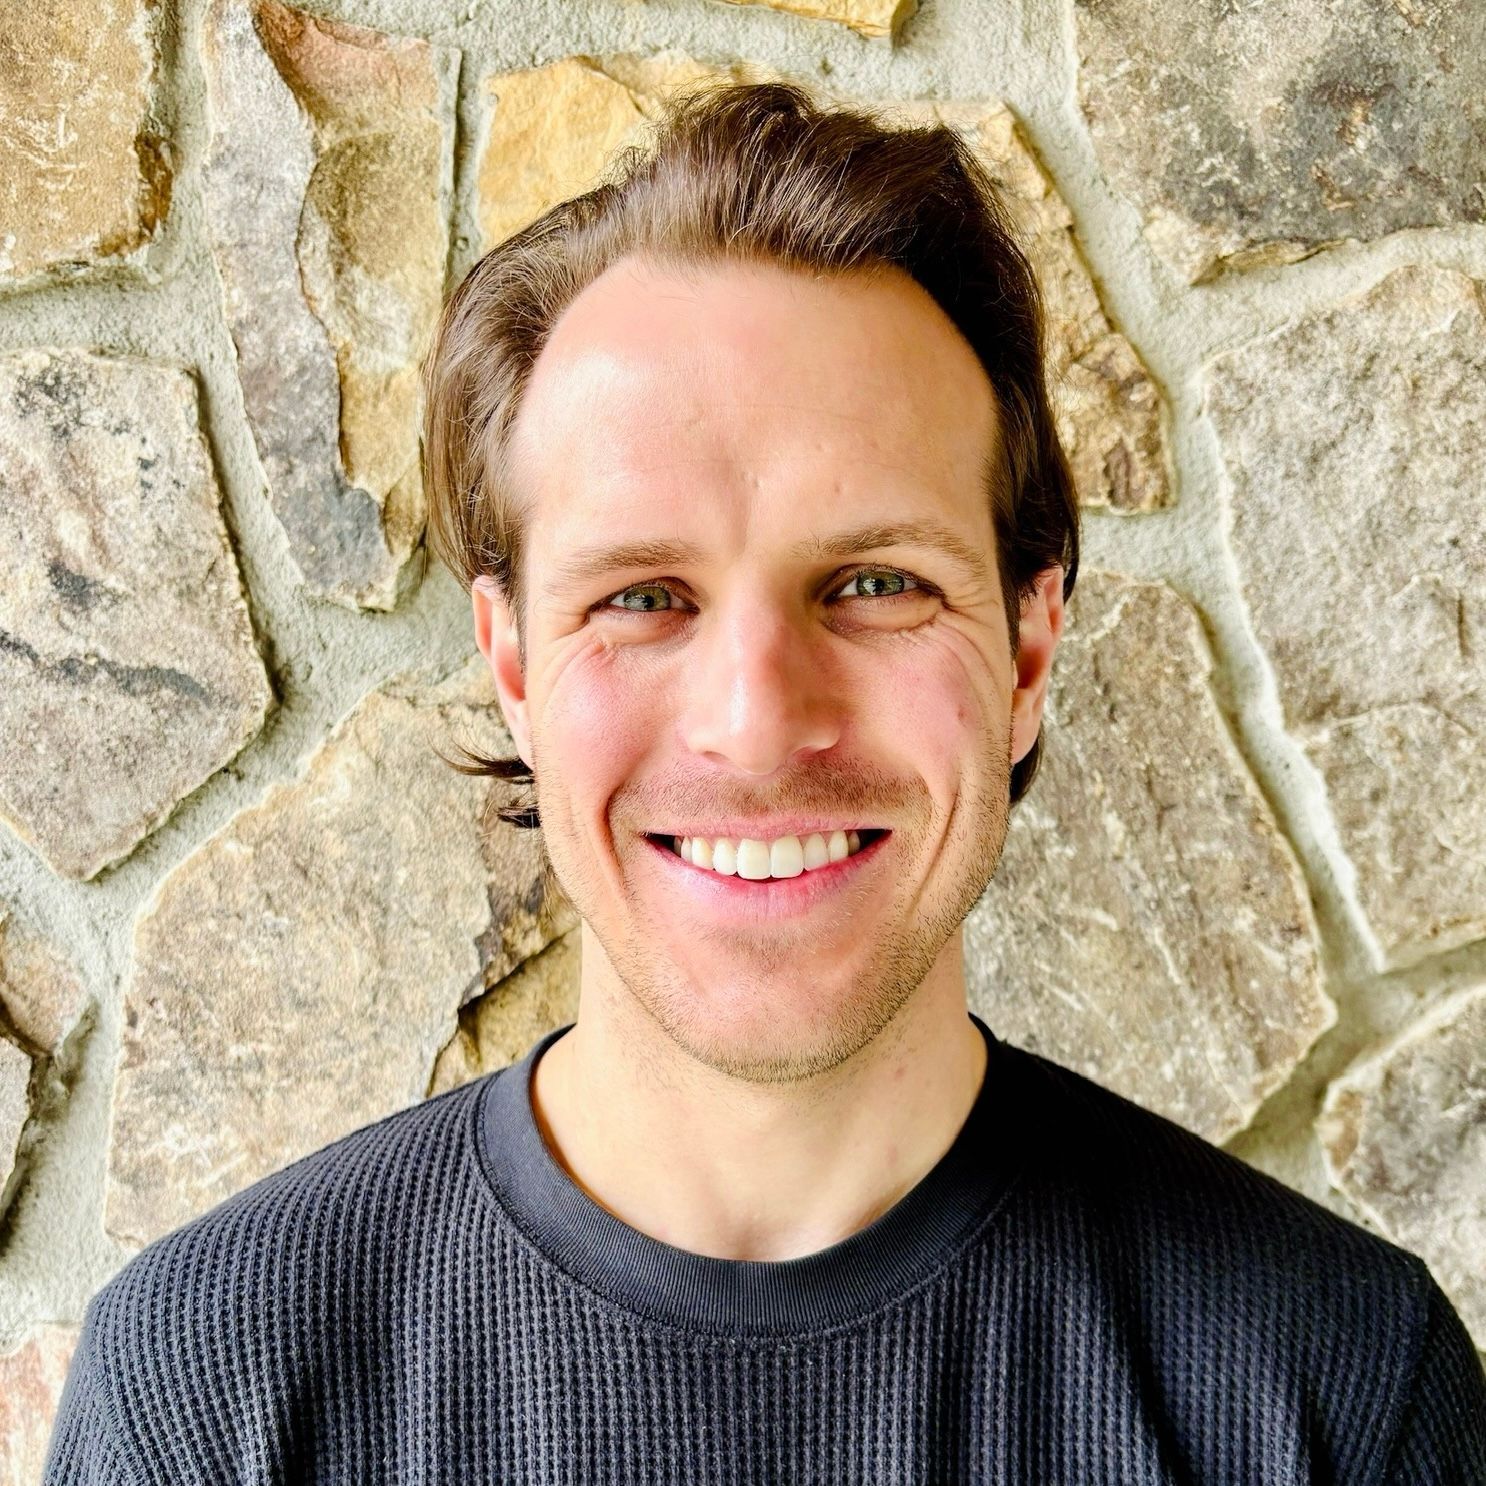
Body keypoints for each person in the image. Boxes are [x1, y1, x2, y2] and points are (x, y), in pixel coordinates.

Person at [45, 80, 1485, 1483]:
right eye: (642, 597)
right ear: (515, 667)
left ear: (1028, 645)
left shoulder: (1337, 1394)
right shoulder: (204, 1399)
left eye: (872, 580)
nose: (754, 722)